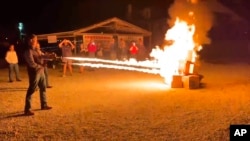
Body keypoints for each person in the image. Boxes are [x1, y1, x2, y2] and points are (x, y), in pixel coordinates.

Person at [23, 34, 52, 116]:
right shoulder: (28, 51)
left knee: (43, 88)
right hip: (34, 73)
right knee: (32, 90)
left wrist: (50, 56)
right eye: (35, 40)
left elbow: (42, 56)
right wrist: (41, 66)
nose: (36, 41)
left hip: (41, 71)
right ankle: (27, 109)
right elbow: (31, 63)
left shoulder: (37, 50)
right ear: (30, 41)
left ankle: (44, 105)